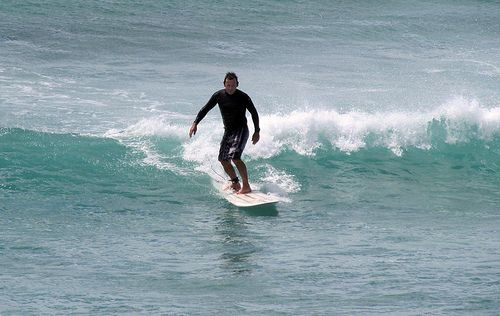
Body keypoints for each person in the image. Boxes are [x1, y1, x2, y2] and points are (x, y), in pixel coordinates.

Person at [189, 72, 260, 194]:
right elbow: (205, 109)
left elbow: (254, 113)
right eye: (228, 85)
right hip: (228, 131)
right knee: (223, 159)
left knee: (235, 157)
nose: (230, 88)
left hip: (241, 130)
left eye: (233, 85)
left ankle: (246, 186)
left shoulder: (243, 97)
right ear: (224, 84)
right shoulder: (218, 95)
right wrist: (195, 123)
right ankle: (235, 182)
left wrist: (257, 131)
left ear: (237, 84)